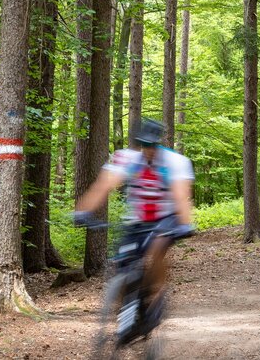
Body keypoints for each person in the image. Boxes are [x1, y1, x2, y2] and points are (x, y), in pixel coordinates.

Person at [74, 118, 195, 309]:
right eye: (144, 145)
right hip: (138, 220)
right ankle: (126, 312)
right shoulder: (127, 159)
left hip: (167, 217)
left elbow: (181, 197)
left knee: (158, 245)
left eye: (152, 145)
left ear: (158, 142)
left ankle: (156, 296)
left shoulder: (175, 162)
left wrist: (185, 224)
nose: (148, 149)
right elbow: (103, 186)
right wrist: (82, 211)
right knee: (122, 261)